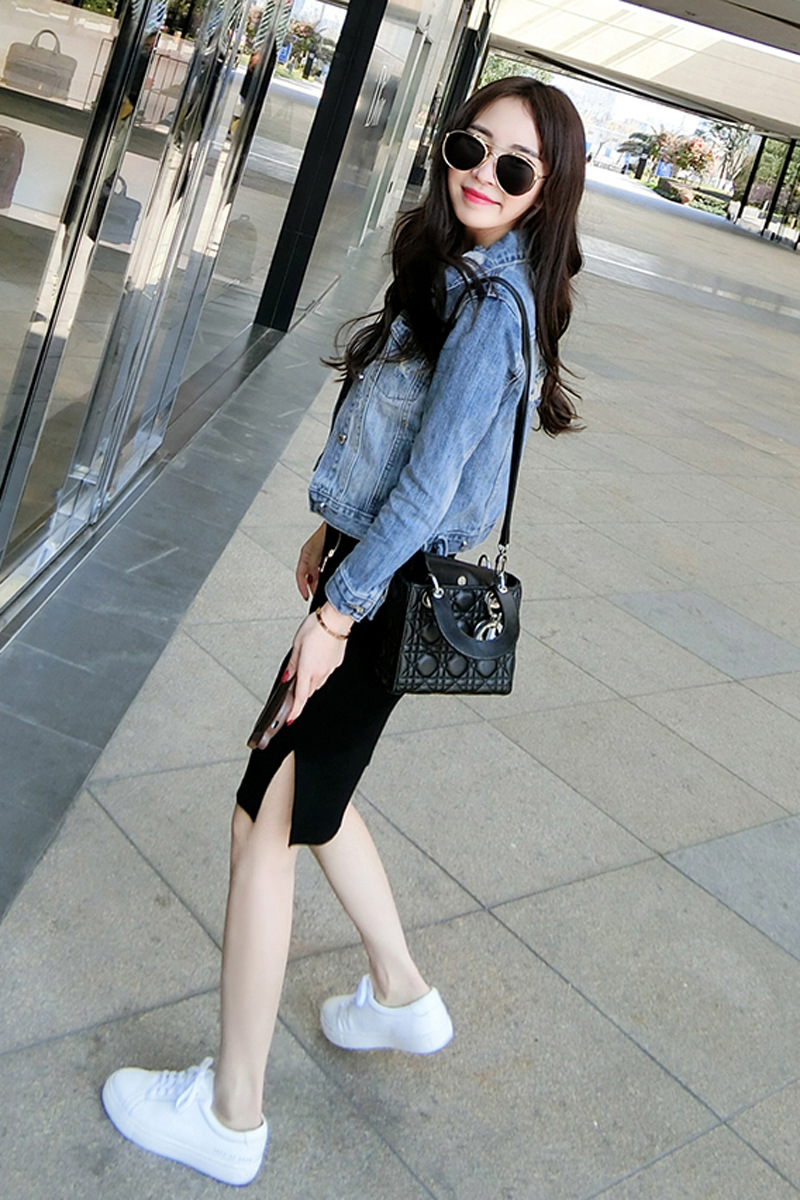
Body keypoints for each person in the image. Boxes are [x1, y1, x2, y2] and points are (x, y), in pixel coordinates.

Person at [101, 75, 586, 1187]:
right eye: (470, 147)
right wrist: (335, 528)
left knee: (259, 819)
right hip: (376, 573)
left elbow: (430, 489)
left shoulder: (492, 306)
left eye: (514, 166)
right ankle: (400, 993)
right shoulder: (468, 272)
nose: (483, 174)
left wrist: (333, 614)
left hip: (381, 595)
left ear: (547, 189)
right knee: (314, 796)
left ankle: (230, 1115)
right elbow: (404, 454)